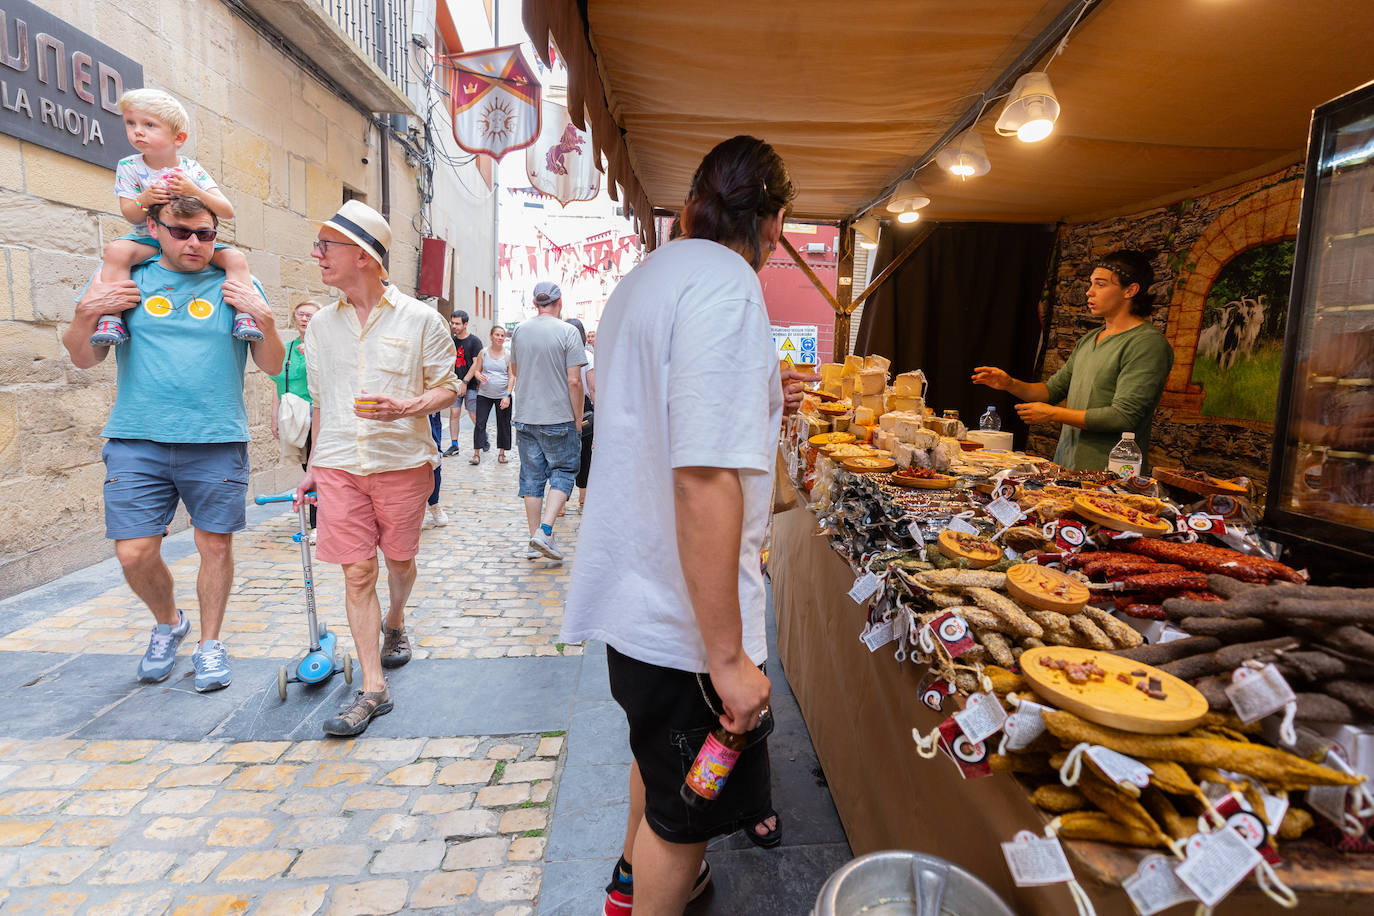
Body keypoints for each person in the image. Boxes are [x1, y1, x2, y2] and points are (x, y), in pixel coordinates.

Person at [561, 135, 813, 913]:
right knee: (683, 820)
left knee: (654, 764)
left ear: (694, 203)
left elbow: (654, 421)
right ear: (773, 226)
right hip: (681, 621)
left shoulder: (649, 277)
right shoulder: (730, 287)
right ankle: (650, 883)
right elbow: (702, 478)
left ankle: (626, 882)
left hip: (636, 599)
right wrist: (729, 658)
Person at [62, 196, 284, 690]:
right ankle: (168, 623)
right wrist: (85, 314)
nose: (194, 244)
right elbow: (84, 358)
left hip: (215, 438)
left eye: (205, 235)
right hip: (136, 438)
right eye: (182, 232)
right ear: (154, 229)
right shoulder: (126, 278)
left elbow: (272, 364)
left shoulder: (236, 281)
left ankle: (209, 645)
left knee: (215, 547)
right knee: (134, 553)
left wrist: (263, 319)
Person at [294, 201, 460, 737]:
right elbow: (319, 401)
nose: (318, 255)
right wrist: (314, 465)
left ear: (364, 256)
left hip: (403, 463)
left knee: (399, 561)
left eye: (328, 245)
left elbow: (451, 385)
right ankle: (372, 688)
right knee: (357, 570)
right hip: (341, 464)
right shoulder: (319, 324)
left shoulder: (422, 320)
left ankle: (396, 620)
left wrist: (406, 407)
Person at [973, 249, 1174, 473]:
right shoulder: (1090, 339)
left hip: (1111, 476)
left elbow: (1123, 416)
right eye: (1091, 284)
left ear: (1130, 290)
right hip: (1067, 468)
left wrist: (1052, 413)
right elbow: (1050, 391)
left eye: (1100, 284)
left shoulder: (1147, 344)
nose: (1089, 292)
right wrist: (1009, 383)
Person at [91, 88, 260, 347]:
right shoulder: (128, 167)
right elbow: (130, 214)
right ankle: (111, 318)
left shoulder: (191, 169)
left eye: (149, 125)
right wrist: (144, 199)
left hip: (190, 240)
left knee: (235, 258)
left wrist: (195, 190)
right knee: (115, 251)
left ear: (178, 137)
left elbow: (226, 210)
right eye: (130, 123)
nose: (137, 131)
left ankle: (245, 316)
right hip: (147, 241)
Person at [507, 281, 586, 562]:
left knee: (532, 478)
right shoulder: (568, 332)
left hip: (526, 416)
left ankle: (534, 540)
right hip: (558, 416)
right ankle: (545, 530)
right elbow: (575, 381)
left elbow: (514, 370)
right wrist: (578, 418)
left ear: (535, 304)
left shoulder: (519, 331)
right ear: (559, 302)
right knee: (563, 472)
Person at [271, 300, 321, 537]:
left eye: (310, 316)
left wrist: (313, 352)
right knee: (306, 466)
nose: (305, 319)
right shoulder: (287, 349)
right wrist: (275, 417)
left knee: (316, 467)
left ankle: (317, 525)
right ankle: (319, 519)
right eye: (301, 314)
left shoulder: (324, 347)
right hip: (294, 415)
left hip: (319, 415)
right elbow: (278, 385)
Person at [443, 310, 484, 460]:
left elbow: (476, 364)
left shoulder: (474, 341)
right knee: (454, 414)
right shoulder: (451, 341)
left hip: (471, 384)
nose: (454, 326)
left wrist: (465, 382)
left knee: (473, 414)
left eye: (457, 323)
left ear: (465, 324)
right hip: (454, 383)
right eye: (452, 323)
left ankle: (482, 436)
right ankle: (454, 445)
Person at [471, 324, 513, 464]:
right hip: (484, 394)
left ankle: (502, 453)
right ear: (491, 336)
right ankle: (476, 453)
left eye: (502, 335)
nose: (500, 338)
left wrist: (507, 395)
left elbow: (512, 376)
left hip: (502, 395)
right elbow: (477, 370)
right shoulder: (483, 352)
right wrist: (479, 376)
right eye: (497, 335)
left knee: (503, 424)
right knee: (480, 423)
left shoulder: (508, 355)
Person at [565, 317, 595, 511]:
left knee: (560, 454)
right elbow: (592, 388)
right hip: (583, 406)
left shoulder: (558, 353)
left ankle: (560, 503)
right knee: (585, 454)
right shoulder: (587, 355)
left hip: (560, 404)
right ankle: (583, 498)